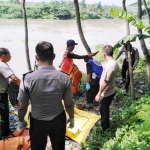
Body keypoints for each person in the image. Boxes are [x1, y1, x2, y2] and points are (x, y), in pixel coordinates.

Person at [17, 41, 74, 150]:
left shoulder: (27, 78)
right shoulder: (64, 78)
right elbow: (69, 103)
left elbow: (22, 105)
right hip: (58, 119)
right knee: (59, 147)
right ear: (53, 56)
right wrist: (71, 117)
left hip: (37, 120)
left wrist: (21, 120)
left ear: (36, 57)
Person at [95, 45, 119, 131]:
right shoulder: (115, 62)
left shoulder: (110, 66)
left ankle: (104, 127)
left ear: (104, 54)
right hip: (111, 90)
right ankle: (104, 123)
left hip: (106, 93)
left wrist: (99, 93)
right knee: (105, 109)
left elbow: (105, 82)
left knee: (104, 110)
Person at [0, 47, 20, 136]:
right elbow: (14, 78)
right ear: (3, 56)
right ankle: (5, 133)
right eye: (9, 54)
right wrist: (24, 86)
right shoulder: (2, 65)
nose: (11, 56)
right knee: (4, 113)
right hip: (1, 94)